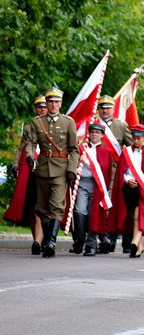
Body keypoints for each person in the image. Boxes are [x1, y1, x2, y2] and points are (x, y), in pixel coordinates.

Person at [25, 88, 79, 257]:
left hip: (61, 169)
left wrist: (71, 169)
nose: (54, 105)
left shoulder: (68, 122)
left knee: (56, 205)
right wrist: (29, 156)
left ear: (61, 104)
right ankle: (48, 239)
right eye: (50, 102)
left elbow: (74, 149)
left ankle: (51, 241)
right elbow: (30, 143)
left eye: (57, 102)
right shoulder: (37, 122)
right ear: (46, 104)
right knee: (42, 208)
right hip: (41, 168)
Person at [4, 95, 48, 254]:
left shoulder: (54, 124)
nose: (42, 109)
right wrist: (16, 164)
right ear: (35, 108)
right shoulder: (29, 126)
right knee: (32, 206)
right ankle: (37, 240)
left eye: (44, 106)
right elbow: (21, 147)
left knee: (42, 206)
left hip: (47, 169)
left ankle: (42, 240)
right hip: (30, 170)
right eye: (39, 107)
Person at [109, 124, 144, 257]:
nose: (136, 141)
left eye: (139, 138)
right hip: (128, 188)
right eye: (134, 138)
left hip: (143, 189)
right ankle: (140, 244)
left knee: (139, 215)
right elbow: (122, 172)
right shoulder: (127, 152)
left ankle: (134, 241)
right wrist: (127, 180)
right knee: (132, 217)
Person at [68, 123, 113, 256]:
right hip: (83, 183)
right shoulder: (81, 148)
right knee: (80, 211)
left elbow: (106, 171)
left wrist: (87, 161)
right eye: (92, 132)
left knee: (94, 215)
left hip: (97, 186)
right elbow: (72, 164)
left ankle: (91, 245)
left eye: (97, 133)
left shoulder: (105, 152)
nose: (94, 134)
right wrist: (78, 163)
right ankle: (80, 239)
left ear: (102, 136)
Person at [96, 95, 133, 253]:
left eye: (108, 107)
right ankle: (102, 237)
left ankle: (109, 238)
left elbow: (132, 147)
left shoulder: (121, 126)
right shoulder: (93, 123)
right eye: (102, 107)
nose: (105, 110)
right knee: (98, 203)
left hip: (114, 171)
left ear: (113, 109)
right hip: (96, 169)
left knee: (110, 203)